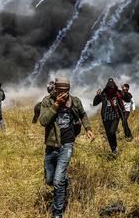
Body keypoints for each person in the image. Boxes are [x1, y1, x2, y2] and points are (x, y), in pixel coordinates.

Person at [39, 77, 95, 218]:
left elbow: (82, 114)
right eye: (61, 91)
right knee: (50, 180)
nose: (64, 94)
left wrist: (88, 128)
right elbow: (43, 121)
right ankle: (65, 182)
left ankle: (57, 213)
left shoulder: (74, 101)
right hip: (51, 146)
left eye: (66, 90)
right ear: (55, 89)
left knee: (58, 181)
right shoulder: (48, 101)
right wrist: (56, 104)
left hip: (67, 145)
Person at [93, 78, 126, 156]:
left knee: (112, 132)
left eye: (113, 88)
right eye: (109, 88)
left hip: (115, 117)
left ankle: (115, 148)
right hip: (106, 118)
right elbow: (95, 103)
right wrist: (97, 95)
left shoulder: (118, 93)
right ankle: (114, 149)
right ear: (107, 88)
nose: (111, 90)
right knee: (109, 134)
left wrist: (124, 91)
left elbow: (127, 98)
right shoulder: (104, 94)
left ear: (115, 87)